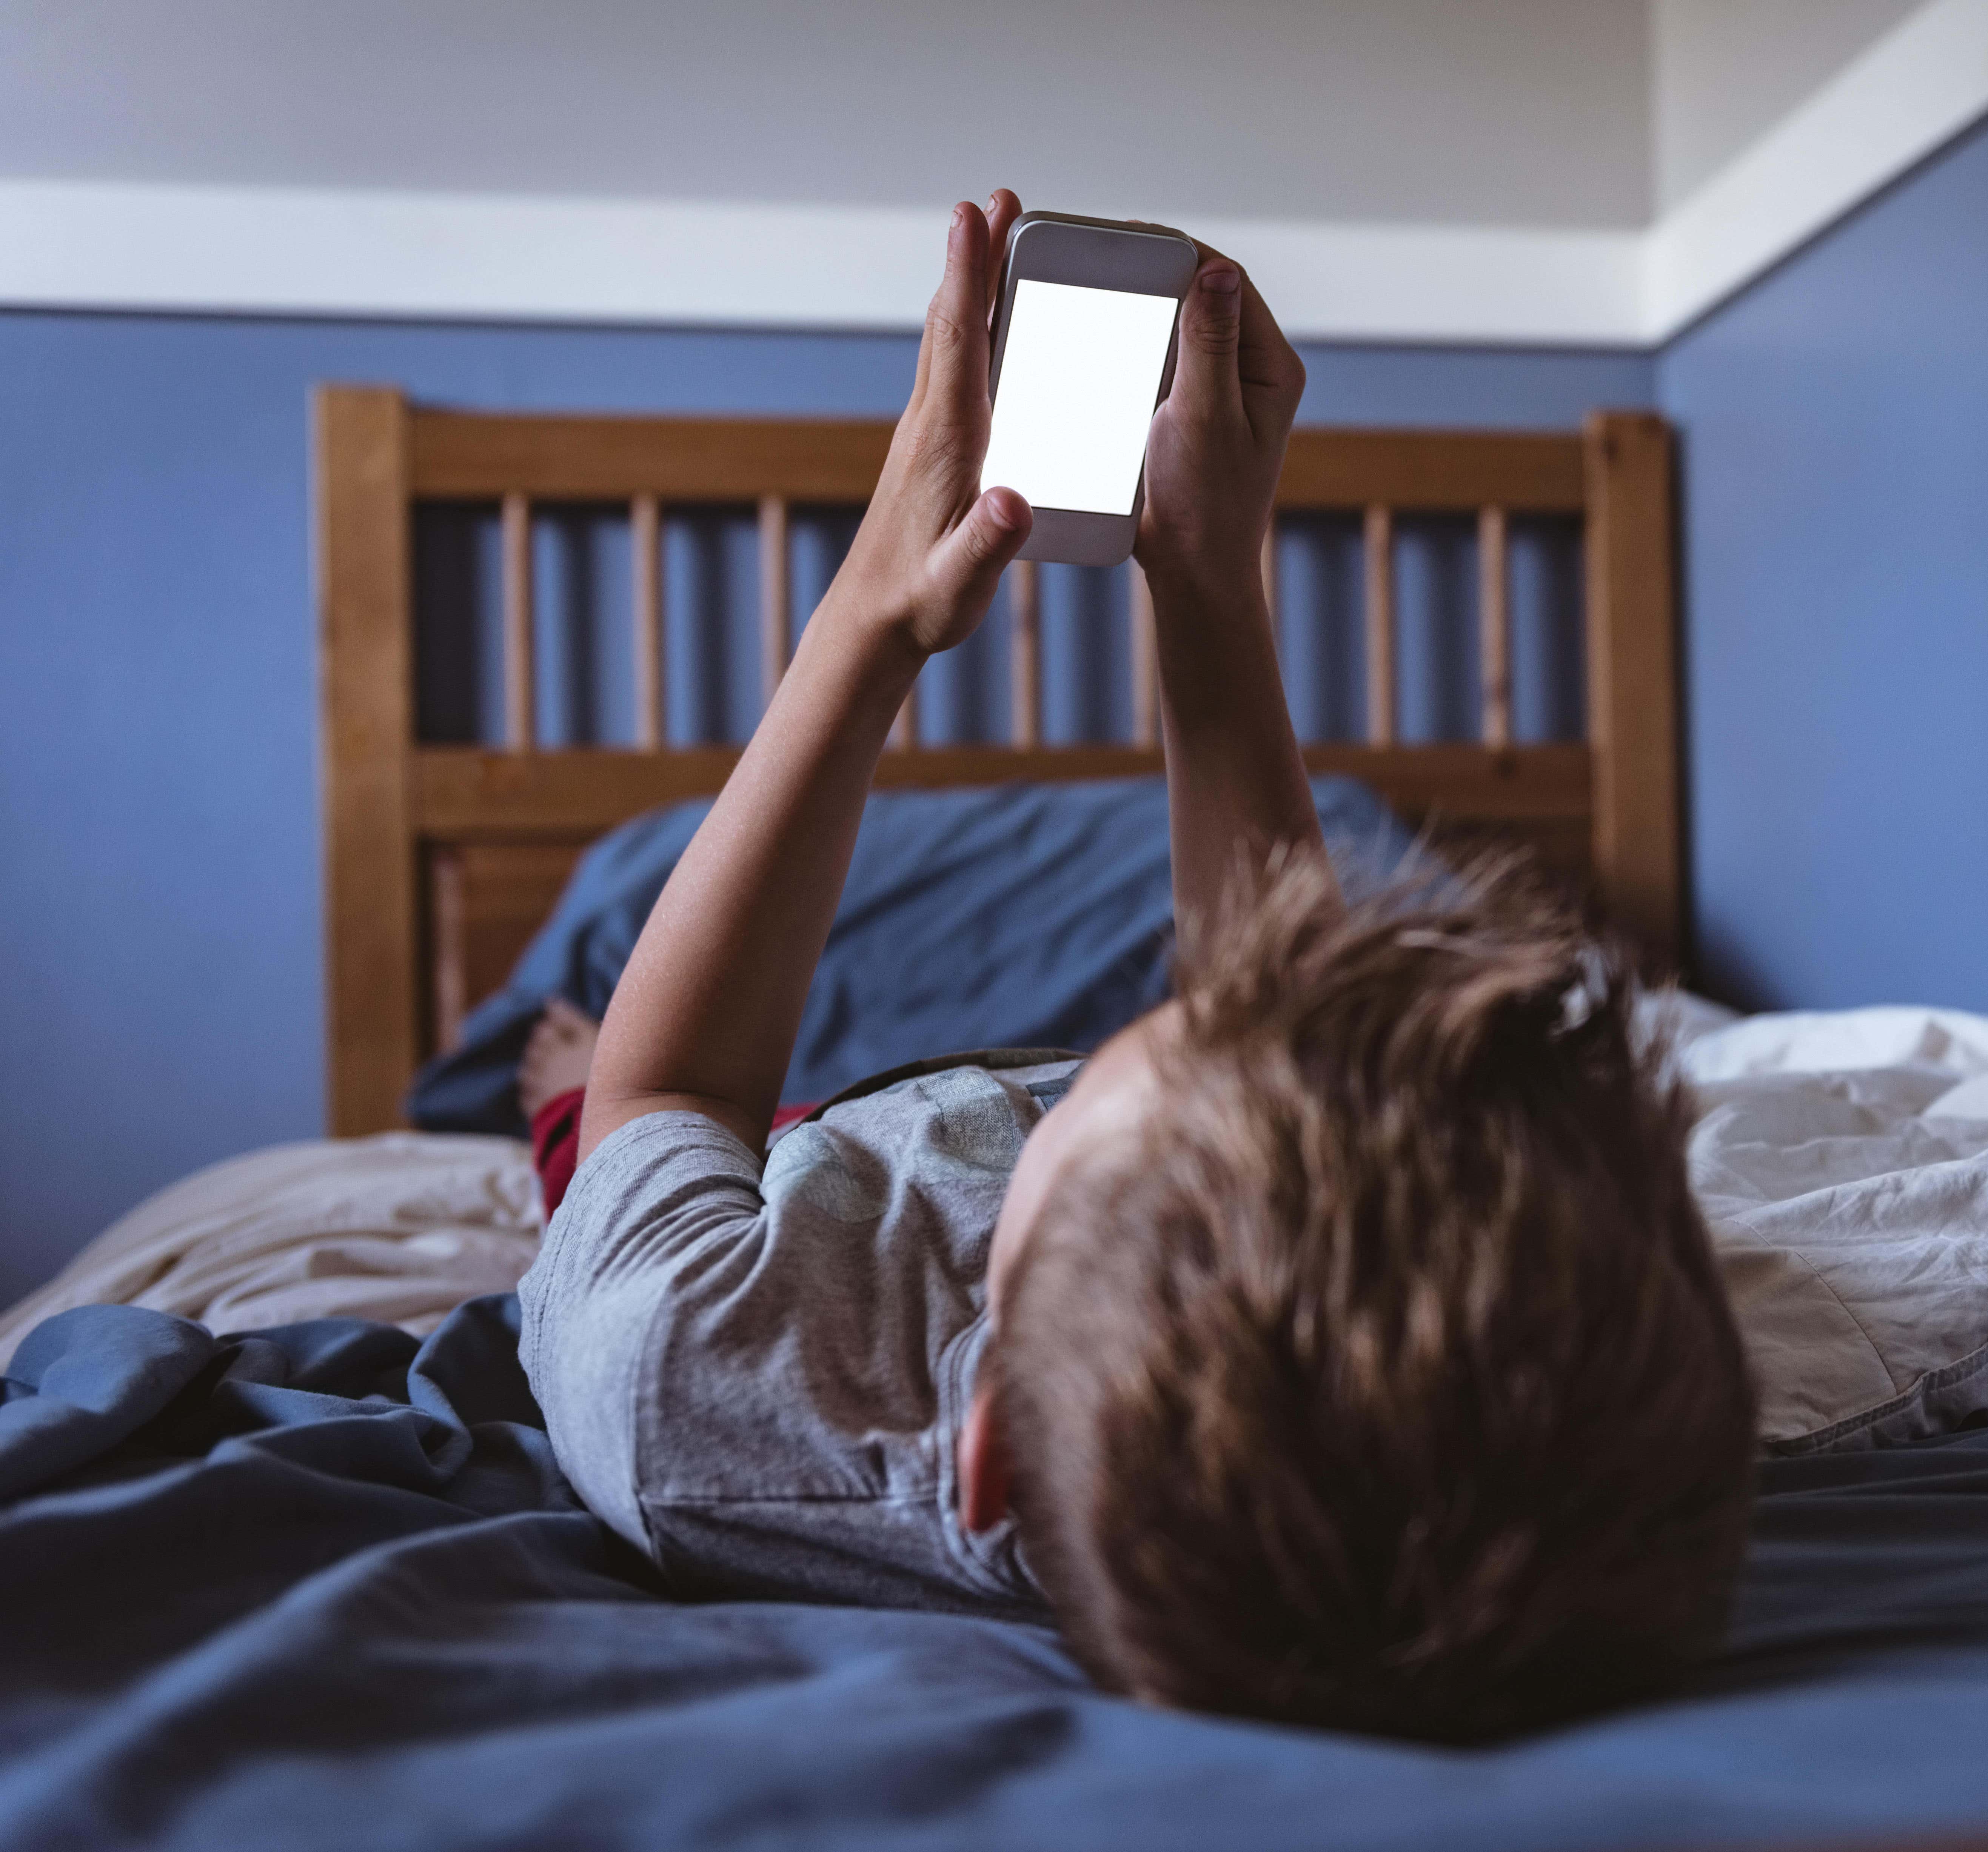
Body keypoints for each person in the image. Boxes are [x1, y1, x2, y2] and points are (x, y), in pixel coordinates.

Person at [517, 190, 1760, 1747]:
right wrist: (1205, 582)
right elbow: (1276, 1022)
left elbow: (677, 1085)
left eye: (1115, 1062)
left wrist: (871, 622)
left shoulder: (699, 1395)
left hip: (799, 1171)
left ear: (986, 1453)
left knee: (600, 1143)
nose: (1152, 1026)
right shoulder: (1594, 1413)